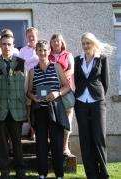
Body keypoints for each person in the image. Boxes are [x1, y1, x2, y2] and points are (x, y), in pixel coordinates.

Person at [27, 40, 70, 179]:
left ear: (49, 51)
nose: (42, 53)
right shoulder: (32, 71)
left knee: (57, 143)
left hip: (55, 110)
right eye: (39, 50)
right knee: (41, 143)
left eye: (45, 50)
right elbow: (28, 92)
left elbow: (67, 86)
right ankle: (42, 174)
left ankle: (59, 174)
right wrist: (34, 97)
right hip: (40, 110)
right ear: (36, 52)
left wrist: (57, 93)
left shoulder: (56, 67)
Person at [0, 33, 27, 178]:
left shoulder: (22, 63)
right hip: (0, 108)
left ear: (13, 45)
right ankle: (5, 172)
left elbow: (25, 85)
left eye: (9, 44)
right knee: (2, 144)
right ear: (0, 45)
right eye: (3, 44)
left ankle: (20, 171)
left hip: (16, 109)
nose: (6, 47)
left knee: (17, 142)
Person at [74, 32, 110, 179]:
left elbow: (105, 83)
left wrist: (98, 96)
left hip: (97, 103)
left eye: (88, 43)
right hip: (81, 103)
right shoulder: (78, 60)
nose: (85, 46)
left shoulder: (102, 59)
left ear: (93, 43)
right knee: (85, 139)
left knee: (99, 138)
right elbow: (77, 80)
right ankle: (91, 174)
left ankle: (104, 174)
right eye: (83, 43)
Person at [49, 33, 75, 156]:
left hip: (66, 91)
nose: (55, 43)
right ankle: (53, 146)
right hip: (52, 92)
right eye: (53, 41)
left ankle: (65, 147)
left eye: (57, 41)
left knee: (67, 120)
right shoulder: (48, 56)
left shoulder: (68, 55)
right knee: (53, 120)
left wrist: (61, 79)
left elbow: (71, 70)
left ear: (62, 42)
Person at [19, 27, 39, 139]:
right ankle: (32, 130)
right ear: (26, 37)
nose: (31, 38)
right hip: (27, 79)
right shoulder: (22, 50)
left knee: (40, 104)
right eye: (29, 36)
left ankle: (41, 129)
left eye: (33, 36)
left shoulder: (42, 48)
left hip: (40, 79)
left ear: (37, 36)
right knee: (29, 106)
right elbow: (20, 66)